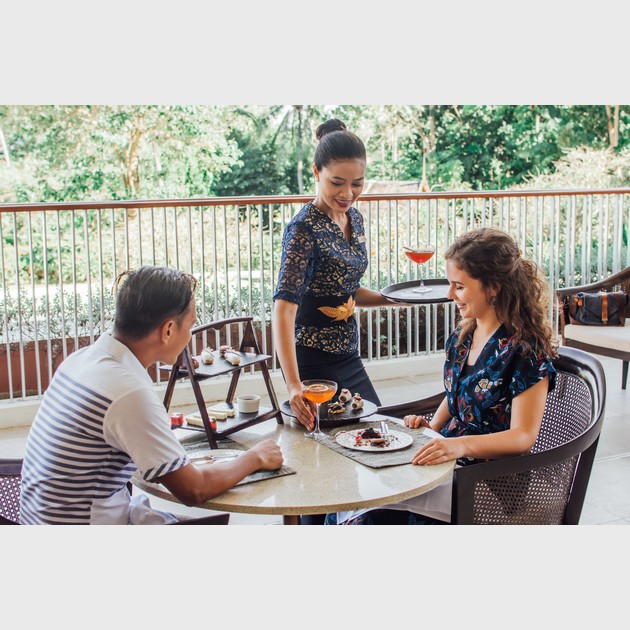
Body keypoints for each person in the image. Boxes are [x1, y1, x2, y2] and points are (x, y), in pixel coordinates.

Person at [325, 227, 558, 525]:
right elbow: (456, 393)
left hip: (488, 479)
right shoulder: (465, 335)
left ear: (494, 287)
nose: (450, 295)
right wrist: (431, 429)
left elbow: (523, 437)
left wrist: (459, 445)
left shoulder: (525, 351)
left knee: (369, 514)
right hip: (447, 462)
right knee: (353, 496)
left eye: (459, 287)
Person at [20, 265, 283, 525]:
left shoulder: (80, 360)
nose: (189, 336)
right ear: (168, 330)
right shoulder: (128, 393)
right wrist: (256, 456)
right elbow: (194, 489)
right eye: (190, 325)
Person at [273, 118, 401, 432]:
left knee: (375, 432)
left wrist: (397, 298)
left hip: (348, 354)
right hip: (312, 359)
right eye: (337, 182)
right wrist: (293, 385)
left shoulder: (354, 218)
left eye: (357, 183)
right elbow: (283, 309)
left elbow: (347, 289)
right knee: (332, 443)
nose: (347, 193)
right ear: (317, 173)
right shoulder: (303, 229)